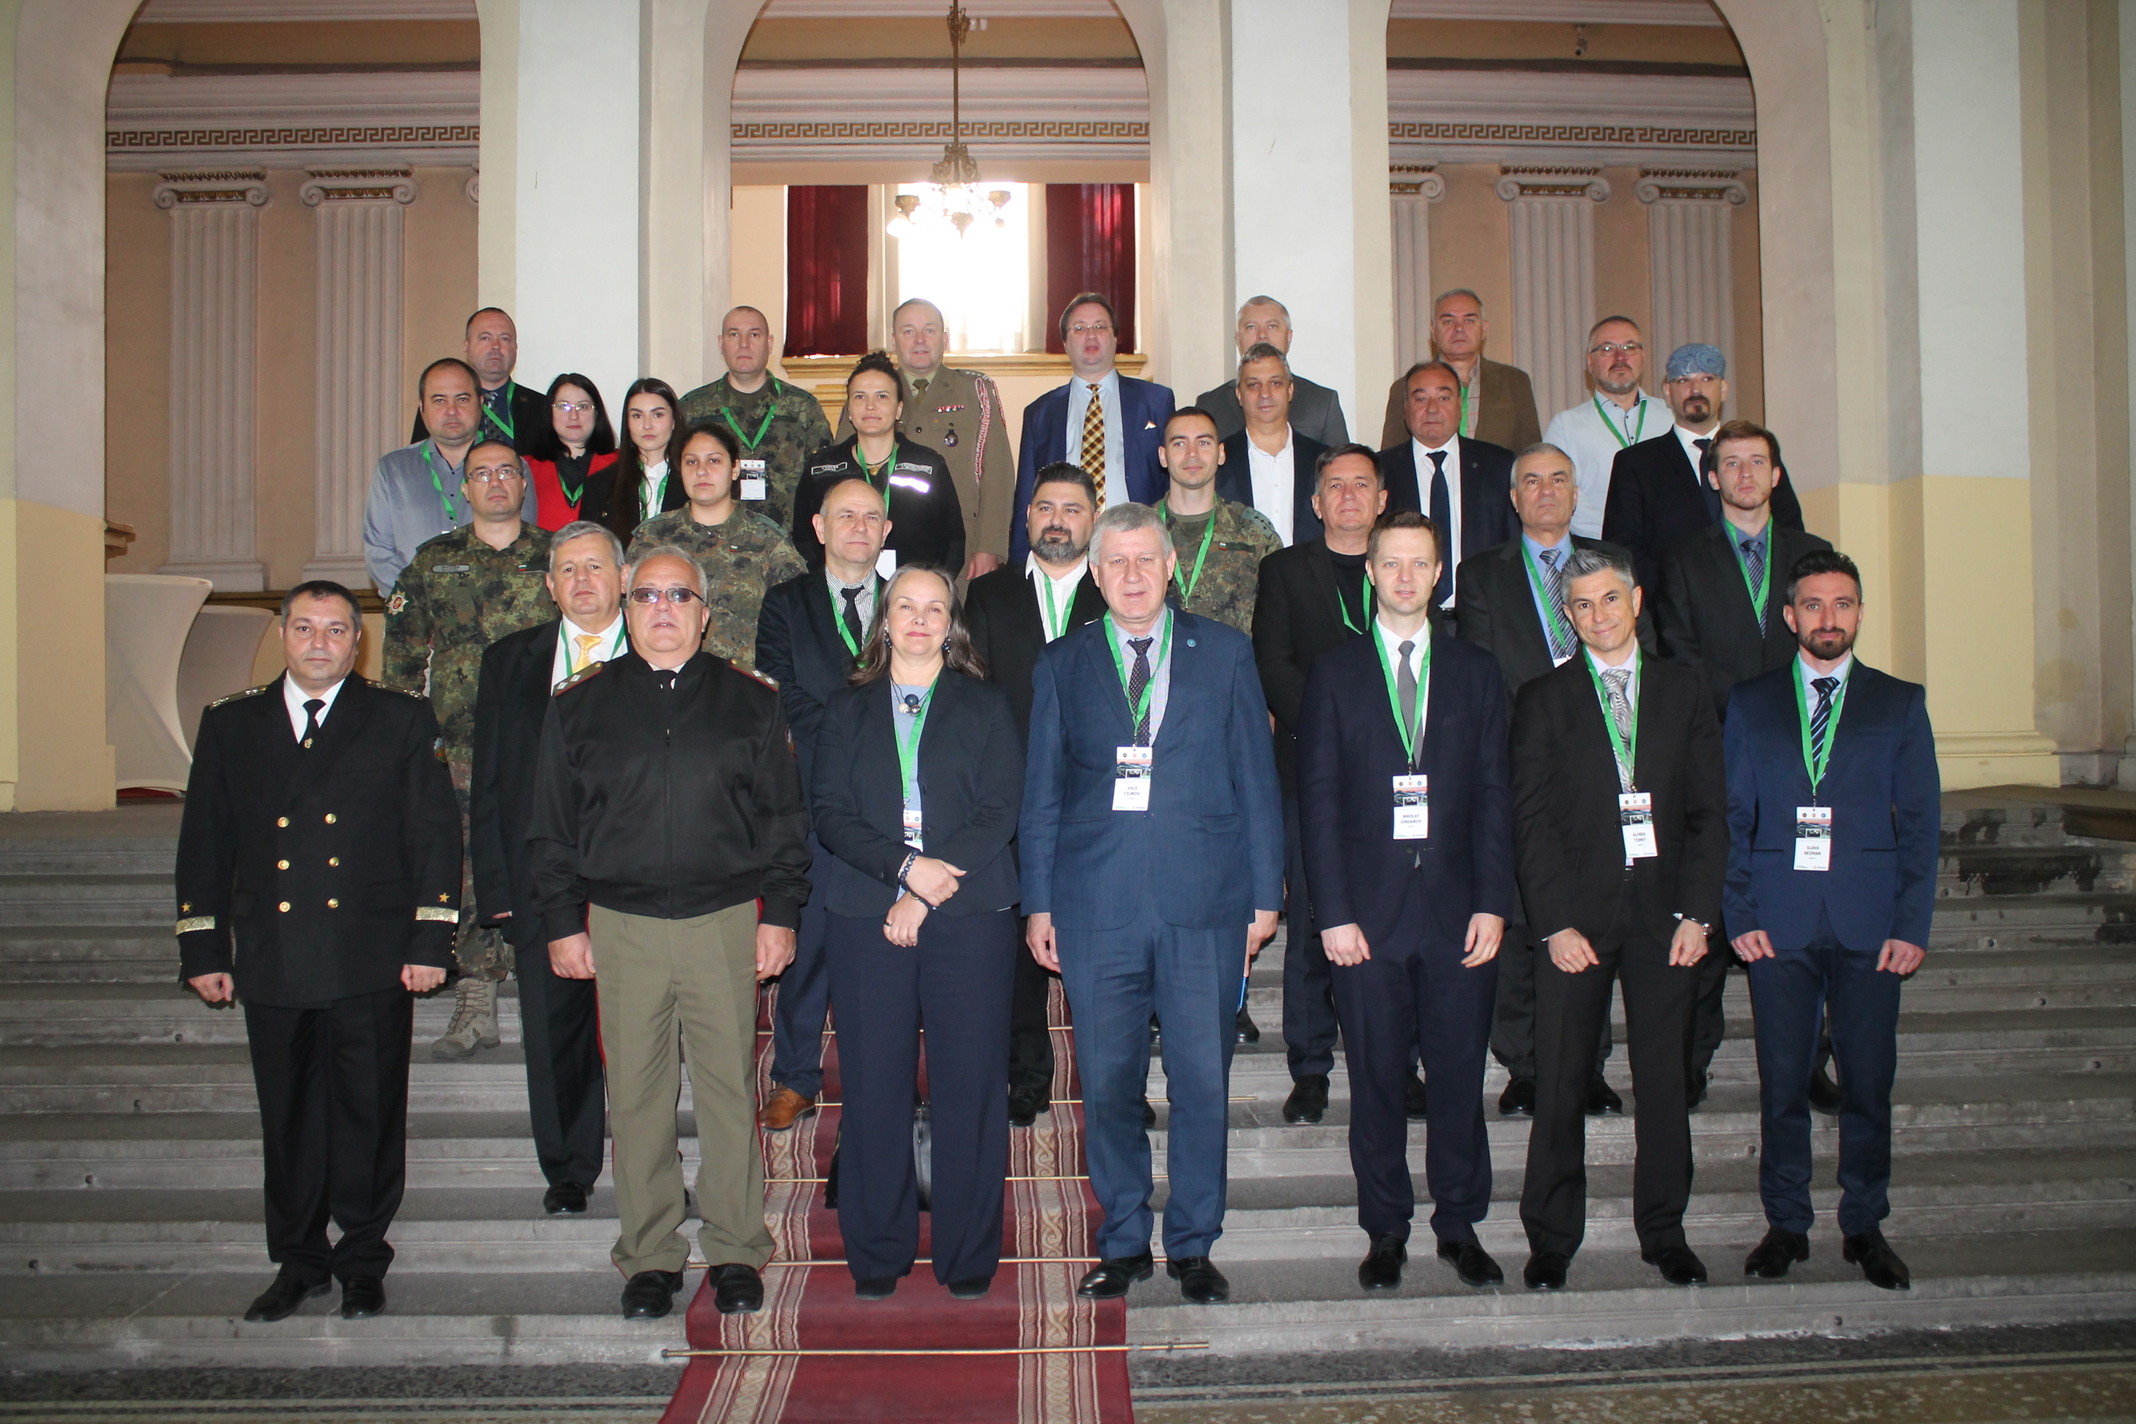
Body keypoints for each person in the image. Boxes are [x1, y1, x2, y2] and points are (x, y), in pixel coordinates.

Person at [527, 544, 810, 1323]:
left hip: (723, 921)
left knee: (727, 1092)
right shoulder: (579, 704)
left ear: (704, 613)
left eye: (679, 596)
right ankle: (650, 1254)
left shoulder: (751, 701)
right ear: (625, 608)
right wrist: (562, 922)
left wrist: (781, 914)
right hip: (622, 927)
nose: (662, 609)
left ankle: (735, 1247)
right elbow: (551, 828)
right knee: (638, 1097)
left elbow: (784, 822)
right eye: (647, 595)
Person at [175, 581, 460, 1324]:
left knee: (369, 1112)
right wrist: (203, 946)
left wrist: (431, 936)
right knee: (289, 1116)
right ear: (282, 635)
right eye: (305, 627)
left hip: (369, 950)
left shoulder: (398, 717)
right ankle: (299, 1261)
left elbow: (432, 834)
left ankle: (362, 1259)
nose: (319, 642)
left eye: (336, 630)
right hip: (273, 952)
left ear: (356, 642)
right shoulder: (231, 723)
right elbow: (205, 841)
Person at [1021, 502, 1284, 1307]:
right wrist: (1039, 904)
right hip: (1095, 906)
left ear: (1171, 567)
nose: (1132, 576)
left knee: (1202, 1080)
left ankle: (1195, 1242)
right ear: (1095, 575)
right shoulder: (1062, 663)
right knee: (1108, 1084)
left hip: (1205, 902)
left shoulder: (1225, 652)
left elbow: (1257, 779)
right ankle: (1126, 1241)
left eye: (1146, 560)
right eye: (1117, 563)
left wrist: (1265, 895)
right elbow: (1042, 794)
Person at [1297, 510, 1513, 1293]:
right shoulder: (1336, 672)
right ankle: (1385, 1227)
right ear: (1371, 573)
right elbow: (1318, 800)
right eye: (1391, 562)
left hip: (1459, 913)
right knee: (1378, 1080)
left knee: (1458, 1077)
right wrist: (1332, 913)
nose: (1405, 577)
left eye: (1420, 563)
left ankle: (1459, 1225)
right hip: (1367, 917)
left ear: (1439, 573)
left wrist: (1494, 902)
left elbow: (1495, 793)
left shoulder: (1476, 671)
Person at [1511, 547, 1726, 1292]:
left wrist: (1700, 913)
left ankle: (1665, 1233)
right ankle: (1551, 1239)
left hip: (1668, 920)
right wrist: (1553, 923)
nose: (1598, 615)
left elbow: (1710, 812)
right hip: (1576, 922)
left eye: (1609, 599)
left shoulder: (1685, 690)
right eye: (1582, 604)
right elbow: (1530, 821)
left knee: (1665, 1083)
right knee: (1560, 1082)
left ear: (1635, 601)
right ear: (1567, 617)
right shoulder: (1543, 698)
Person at [1725, 549, 1937, 1291]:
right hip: (1776, 920)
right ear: (1790, 616)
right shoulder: (1751, 703)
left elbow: (1921, 823)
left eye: (1842, 604)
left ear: (1860, 613)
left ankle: (1864, 1224)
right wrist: (1738, 910)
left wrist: (1911, 924)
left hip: (1871, 923)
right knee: (1783, 1083)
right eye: (1813, 605)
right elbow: (1732, 816)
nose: (1828, 618)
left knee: (1868, 1084)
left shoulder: (1898, 703)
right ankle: (1786, 1224)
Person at [810, 563, 1024, 1299]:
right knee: (874, 1086)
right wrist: (905, 872)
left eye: (936, 608)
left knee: (971, 1088)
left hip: (969, 914)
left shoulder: (986, 704)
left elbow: (1000, 810)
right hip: (866, 911)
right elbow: (831, 814)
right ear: (884, 619)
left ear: (951, 624)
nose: (921, 620)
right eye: (907, 606)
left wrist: (926, 892)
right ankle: (878, 1254)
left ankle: (967, 1258)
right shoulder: (846, 707)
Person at [1455, 443, 1645, 1118]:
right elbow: (1482, 676)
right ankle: (1524, 1065)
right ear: (1513, 498)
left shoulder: (1610, 562)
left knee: (1592, 913)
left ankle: (1588, 1063)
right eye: (1530, 481)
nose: (1544, 490)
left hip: (1606, 767)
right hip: (1518, 765)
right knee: (1517, 918)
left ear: (1575, 492)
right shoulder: (1482, 573)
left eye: (1558, 479)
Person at [1657, 421, 1835, 1106]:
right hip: (1716, 751)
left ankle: (1808, 1060)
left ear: (1776, 475)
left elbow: (1826, 647)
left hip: (1800, 756)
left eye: (1757, 462)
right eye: (1730, 463)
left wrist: (1780, 713)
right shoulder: (1682, 559)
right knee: (1706, 904)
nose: (1745, 474)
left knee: (1799, 912)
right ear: (1713, 477)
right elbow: (1678, 652)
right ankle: (1690, 1060)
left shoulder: (1813, 554)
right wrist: (1752, 708)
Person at [1254, 445, 1414, 1127]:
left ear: (1382, 499)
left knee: (1397, 920)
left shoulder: (1404, 569)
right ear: (1316, 503)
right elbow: (1274, 664)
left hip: (1398, 784)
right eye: (1335, 487)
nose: (1349, 496)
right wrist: (1336, 740)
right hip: (1307, 777)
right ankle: (1311, 1070)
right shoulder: (1285, 571)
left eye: (1361, 485)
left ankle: (1401, 1065)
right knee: (1315, 926)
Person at [380, 441, 555, 1061]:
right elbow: (402, 653)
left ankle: (544, 984)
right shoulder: (435, 560)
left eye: (507, 471)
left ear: (524, 483)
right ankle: (477, 994)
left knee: (539, 854)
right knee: (468, 864)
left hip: (541, 741)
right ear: (465, 488)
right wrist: (406, 737)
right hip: (459, 743)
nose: (495, 481)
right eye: (482, 473)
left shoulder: (557, 556)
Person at [468, 522, 624, 1216]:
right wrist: (497, 886)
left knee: (640, 1039)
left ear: (623, 577)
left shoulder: (658, 645)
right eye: (568, 570)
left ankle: (649, 1167)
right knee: (554, 1033)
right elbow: (492, 781)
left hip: (635, 883)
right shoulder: (510, 661)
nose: (582, 581)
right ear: (549, 585)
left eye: (595, 567)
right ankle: (567, 1168)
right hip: (541, 879)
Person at [965, 464, 1108, 1125]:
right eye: (1045, 507)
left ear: (1093, 520)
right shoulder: (988, 594)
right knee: (1019, 951)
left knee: (1103, 954)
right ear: (1026, 519)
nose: (1057, 520)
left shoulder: (1116, 590)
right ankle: (1026, 1075)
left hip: (1100, 805)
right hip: (1013, 803)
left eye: (1072, 509)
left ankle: (1114, 1086)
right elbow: (971, 695)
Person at [753, 476, 894, 1131]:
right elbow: (777, 687)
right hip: (809, 798)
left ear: (886, 530)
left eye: (871, 517)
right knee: (806, 947)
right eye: (845, 516)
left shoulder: (908, 598)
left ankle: (884, 1079)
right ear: (818, 526)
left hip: (891, 807)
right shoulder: (785, 602)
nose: (858, 527)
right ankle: (795, 1078)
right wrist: (847, 737)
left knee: (884, 954)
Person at [835, 298, 1018, 580]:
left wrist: (989, 547)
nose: (919, 340)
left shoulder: (976, 392)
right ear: (894, 340)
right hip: (878, 542)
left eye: (929, 330)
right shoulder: (870, 391)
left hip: (961, 549)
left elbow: (998, 476)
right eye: (908, 331)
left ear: (944, 339)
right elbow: (842, 469)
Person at [1601, 343, 1805, 592]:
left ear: (1724, 389)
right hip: (1671, 607)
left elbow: (1790, 534)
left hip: (1759, 600)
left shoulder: (1758, 456)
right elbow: (1623, 553)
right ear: (1667, 392)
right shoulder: (1636, 464)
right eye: (1683, 380)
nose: (1695, 390)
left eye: (1707, 379)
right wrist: (1676, 599)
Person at [1007, 293, 1176, 560]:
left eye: (1100, 326)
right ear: (1065, 343)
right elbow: (1027, 496)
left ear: (1115, 337)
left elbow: (1172, 482)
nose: (1091, 335)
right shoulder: (1040, 412)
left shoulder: (1156, 401)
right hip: (1064, 547)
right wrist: (1019, 564)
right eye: (1079, 328)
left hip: (1136, 544)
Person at [633, 422, 804, 671]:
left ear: (735, 469)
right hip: (663, 677)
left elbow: (798, 616)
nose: (701, 471)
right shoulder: (652, 537)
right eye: (691, 462)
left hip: (744, 681)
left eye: (713, 461)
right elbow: (628, 612)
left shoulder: (767, 539)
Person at [364, 357, 537, 592]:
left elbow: (524, 545)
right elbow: (379, 551)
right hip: (415, 607)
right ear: (422, 408)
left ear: (481, 403)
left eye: (462, 399)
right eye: (439, 400)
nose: (452, 410)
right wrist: (416, 602)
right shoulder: (393, 469)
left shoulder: (512, 466)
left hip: (494, 606)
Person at [792, 351, 966, 571]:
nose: (870, 406)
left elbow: (953, 542)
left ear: (899, 408)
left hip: (911, 588)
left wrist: (929, 586)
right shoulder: (821, 469)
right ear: (849, 410)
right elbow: (804, 539)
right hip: (838, 588)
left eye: (882, 396)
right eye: (860, 396)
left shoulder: (929, 466)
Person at [677, 305, 834, 531]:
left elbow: (824, 482)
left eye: (754, 335)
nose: (744, 344)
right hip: (710, 540)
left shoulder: (803, 407)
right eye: (734, 335)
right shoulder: (692, 408)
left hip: (787, 542)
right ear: (721, 344)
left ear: (769, 344)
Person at [1378, 361, 1517, 614]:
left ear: (1459, 406)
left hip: (1485, 613)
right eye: (1421, 399)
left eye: (1443, 398)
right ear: (1405, 408)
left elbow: (1513, 547)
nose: (1432, 409)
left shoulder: (1500, 466)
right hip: (1406, 614)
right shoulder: (1380, 470)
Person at [1157, 408, 1281, 636]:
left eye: (1203, 443)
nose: (1192, 454)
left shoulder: (1254, 532)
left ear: (1221, 453)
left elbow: (1280, 619)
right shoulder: (1139, 529)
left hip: (1235, 658)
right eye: (1180, 443)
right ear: (1163, 456)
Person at [1540, 317, 1667, 538]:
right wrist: (1619, 536)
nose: (1620, 357)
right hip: (1598, 548)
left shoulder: (1671, 417)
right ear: (1590, 362)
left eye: (1629, 347)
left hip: (1669, 548)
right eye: (1607, 349)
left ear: (1643, 357)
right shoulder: (1566, 426)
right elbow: (1558, 496)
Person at [1378, 289, 1541, 453]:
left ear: (1484, 328)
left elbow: (1531, 454)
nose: (1459, 328)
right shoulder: (1405, 387)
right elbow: (1391, 458)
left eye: (1469, 321)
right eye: (1448, 321)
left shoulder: (1515, 383)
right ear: (1433, 331)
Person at [1194, 296, 1352, 448]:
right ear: (1238, 338)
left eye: (1272, 326)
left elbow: (1342, 463)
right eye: (1251, 327)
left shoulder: (1322, 403)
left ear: (1289, 336)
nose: (1262, 335)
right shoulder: (1211, 405)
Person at [1217, 343, 1331, 547]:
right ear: (1239, 395)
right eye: (1253, 385)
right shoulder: (1218, 461)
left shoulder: (1323, 460)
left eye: (1275, 383)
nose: (1265, 393)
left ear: (1290, 390)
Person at [407, 307, 547, 452]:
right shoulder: (439, 404)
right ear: (466, 347)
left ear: (515, 348)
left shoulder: (542, 407)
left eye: (505, 339)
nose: (496, 346)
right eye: (485, 338)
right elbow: (421, 458)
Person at [590, 378, 688, 544]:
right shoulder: (601, 484)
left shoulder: (694, 479)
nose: (647, 425)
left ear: (673, 420)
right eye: (637, 416)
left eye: (657, 415)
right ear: (627, 423)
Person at [522, 373, 619, 531]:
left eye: (583, 406)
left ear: (596, 413)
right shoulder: (525, 468)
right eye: (563, 406)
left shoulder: (621, 465)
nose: (573, 416)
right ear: (550, 412)